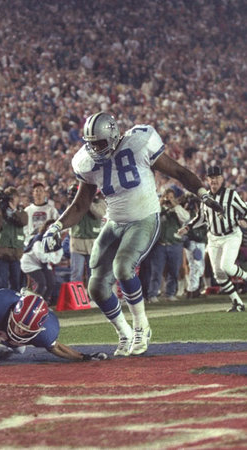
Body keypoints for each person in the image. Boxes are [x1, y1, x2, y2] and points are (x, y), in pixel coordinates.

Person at [42, 112, 224, 357]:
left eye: (100, 142)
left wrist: (203, 193)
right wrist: (56, 227)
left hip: (144, 218)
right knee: (95, 287)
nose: (95, 148)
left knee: (123, 266)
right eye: (91, 143)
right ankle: (124, 332)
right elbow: (80, 204)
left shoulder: (139, 144)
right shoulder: (87, 161)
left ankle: (142, 326)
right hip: (115, 221)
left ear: (115, 135)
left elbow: (178, 172)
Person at [0, 289, 107, 366]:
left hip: (5, 335)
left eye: (25, 329)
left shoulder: (46, 331)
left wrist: (83, 357)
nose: (19, 330)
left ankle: (9, 346)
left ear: (38, 328)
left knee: (19, 349)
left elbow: (57, 347)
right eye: (17, 324)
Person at [178, 164, 247, 312]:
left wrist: (244, 220)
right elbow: (201, 218)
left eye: (217, 177)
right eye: (211, 178)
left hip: (231, 235)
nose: (214, 180)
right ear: (207, 179)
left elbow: (244, 209)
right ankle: (238, 303)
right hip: (214, 238)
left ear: (222, 178)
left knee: (226, 266)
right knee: (219, 273)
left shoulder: (231, 194)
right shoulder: (205, 198)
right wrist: (188, 227)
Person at [146, 188, 190, 302]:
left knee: (174, 271)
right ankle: (153, 294)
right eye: (167, 197)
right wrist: (160, 203)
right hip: (160, 245)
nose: (168, 200)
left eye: (171, 197)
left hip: (175, 244)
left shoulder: (178, 210)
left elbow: (186, 218)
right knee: (156, 271)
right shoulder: (158, 209)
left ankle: (170, 293)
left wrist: (175, 205)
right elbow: (152, 218)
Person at [67, 184, 106, 284]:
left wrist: (87, 202)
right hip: (77, 242)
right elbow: (70, 216)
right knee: (76, 273)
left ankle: (92, 298)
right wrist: (76, 201)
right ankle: (76, 298)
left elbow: (99, 214)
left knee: (93, 273)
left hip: (93, 242)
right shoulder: (75, 204)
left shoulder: (100, 203)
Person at [0, 186, 28, 291]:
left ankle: (15, 306)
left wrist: (14, 210)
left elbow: (23, 222)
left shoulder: (21, 212)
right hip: (1, 253)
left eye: (14, 197)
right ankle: (1, 306)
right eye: (9, 198)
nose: (11, 200)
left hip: (16, 254)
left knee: (16, 284)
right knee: (1, 284)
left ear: (18, 198)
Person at [21, 219, 63, 305]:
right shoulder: (39, 238)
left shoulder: (57, 241)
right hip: (30, 263)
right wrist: (51, 257)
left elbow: (57, 258)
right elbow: (41, 256)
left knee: (51, 283)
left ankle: (43, 302)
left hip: (43, 264)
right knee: (42, 283)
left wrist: (49, 258)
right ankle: (32, 304)